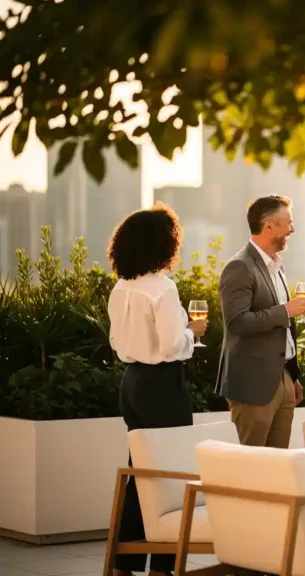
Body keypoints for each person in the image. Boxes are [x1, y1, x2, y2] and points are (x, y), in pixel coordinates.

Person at [107, 202, 208, 576]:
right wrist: (192, 334)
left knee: (139, 474)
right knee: (172, 476)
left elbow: (117, 342)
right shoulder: (163, 288)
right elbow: (170, 345)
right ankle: (163, 567)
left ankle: (123, 562)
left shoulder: (122, 287)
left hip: (132, 383)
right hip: (163, 385)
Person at [216, 195, 305, 448]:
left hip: (283, 381)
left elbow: (283, 332)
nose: (293, 229)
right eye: (288, 223)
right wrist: (285, 311)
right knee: (249, 466)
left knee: (277, 465)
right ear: (268, 225)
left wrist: (291, 375)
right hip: (253, 385)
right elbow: (237, 322)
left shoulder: (276, 266)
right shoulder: (239, 267)